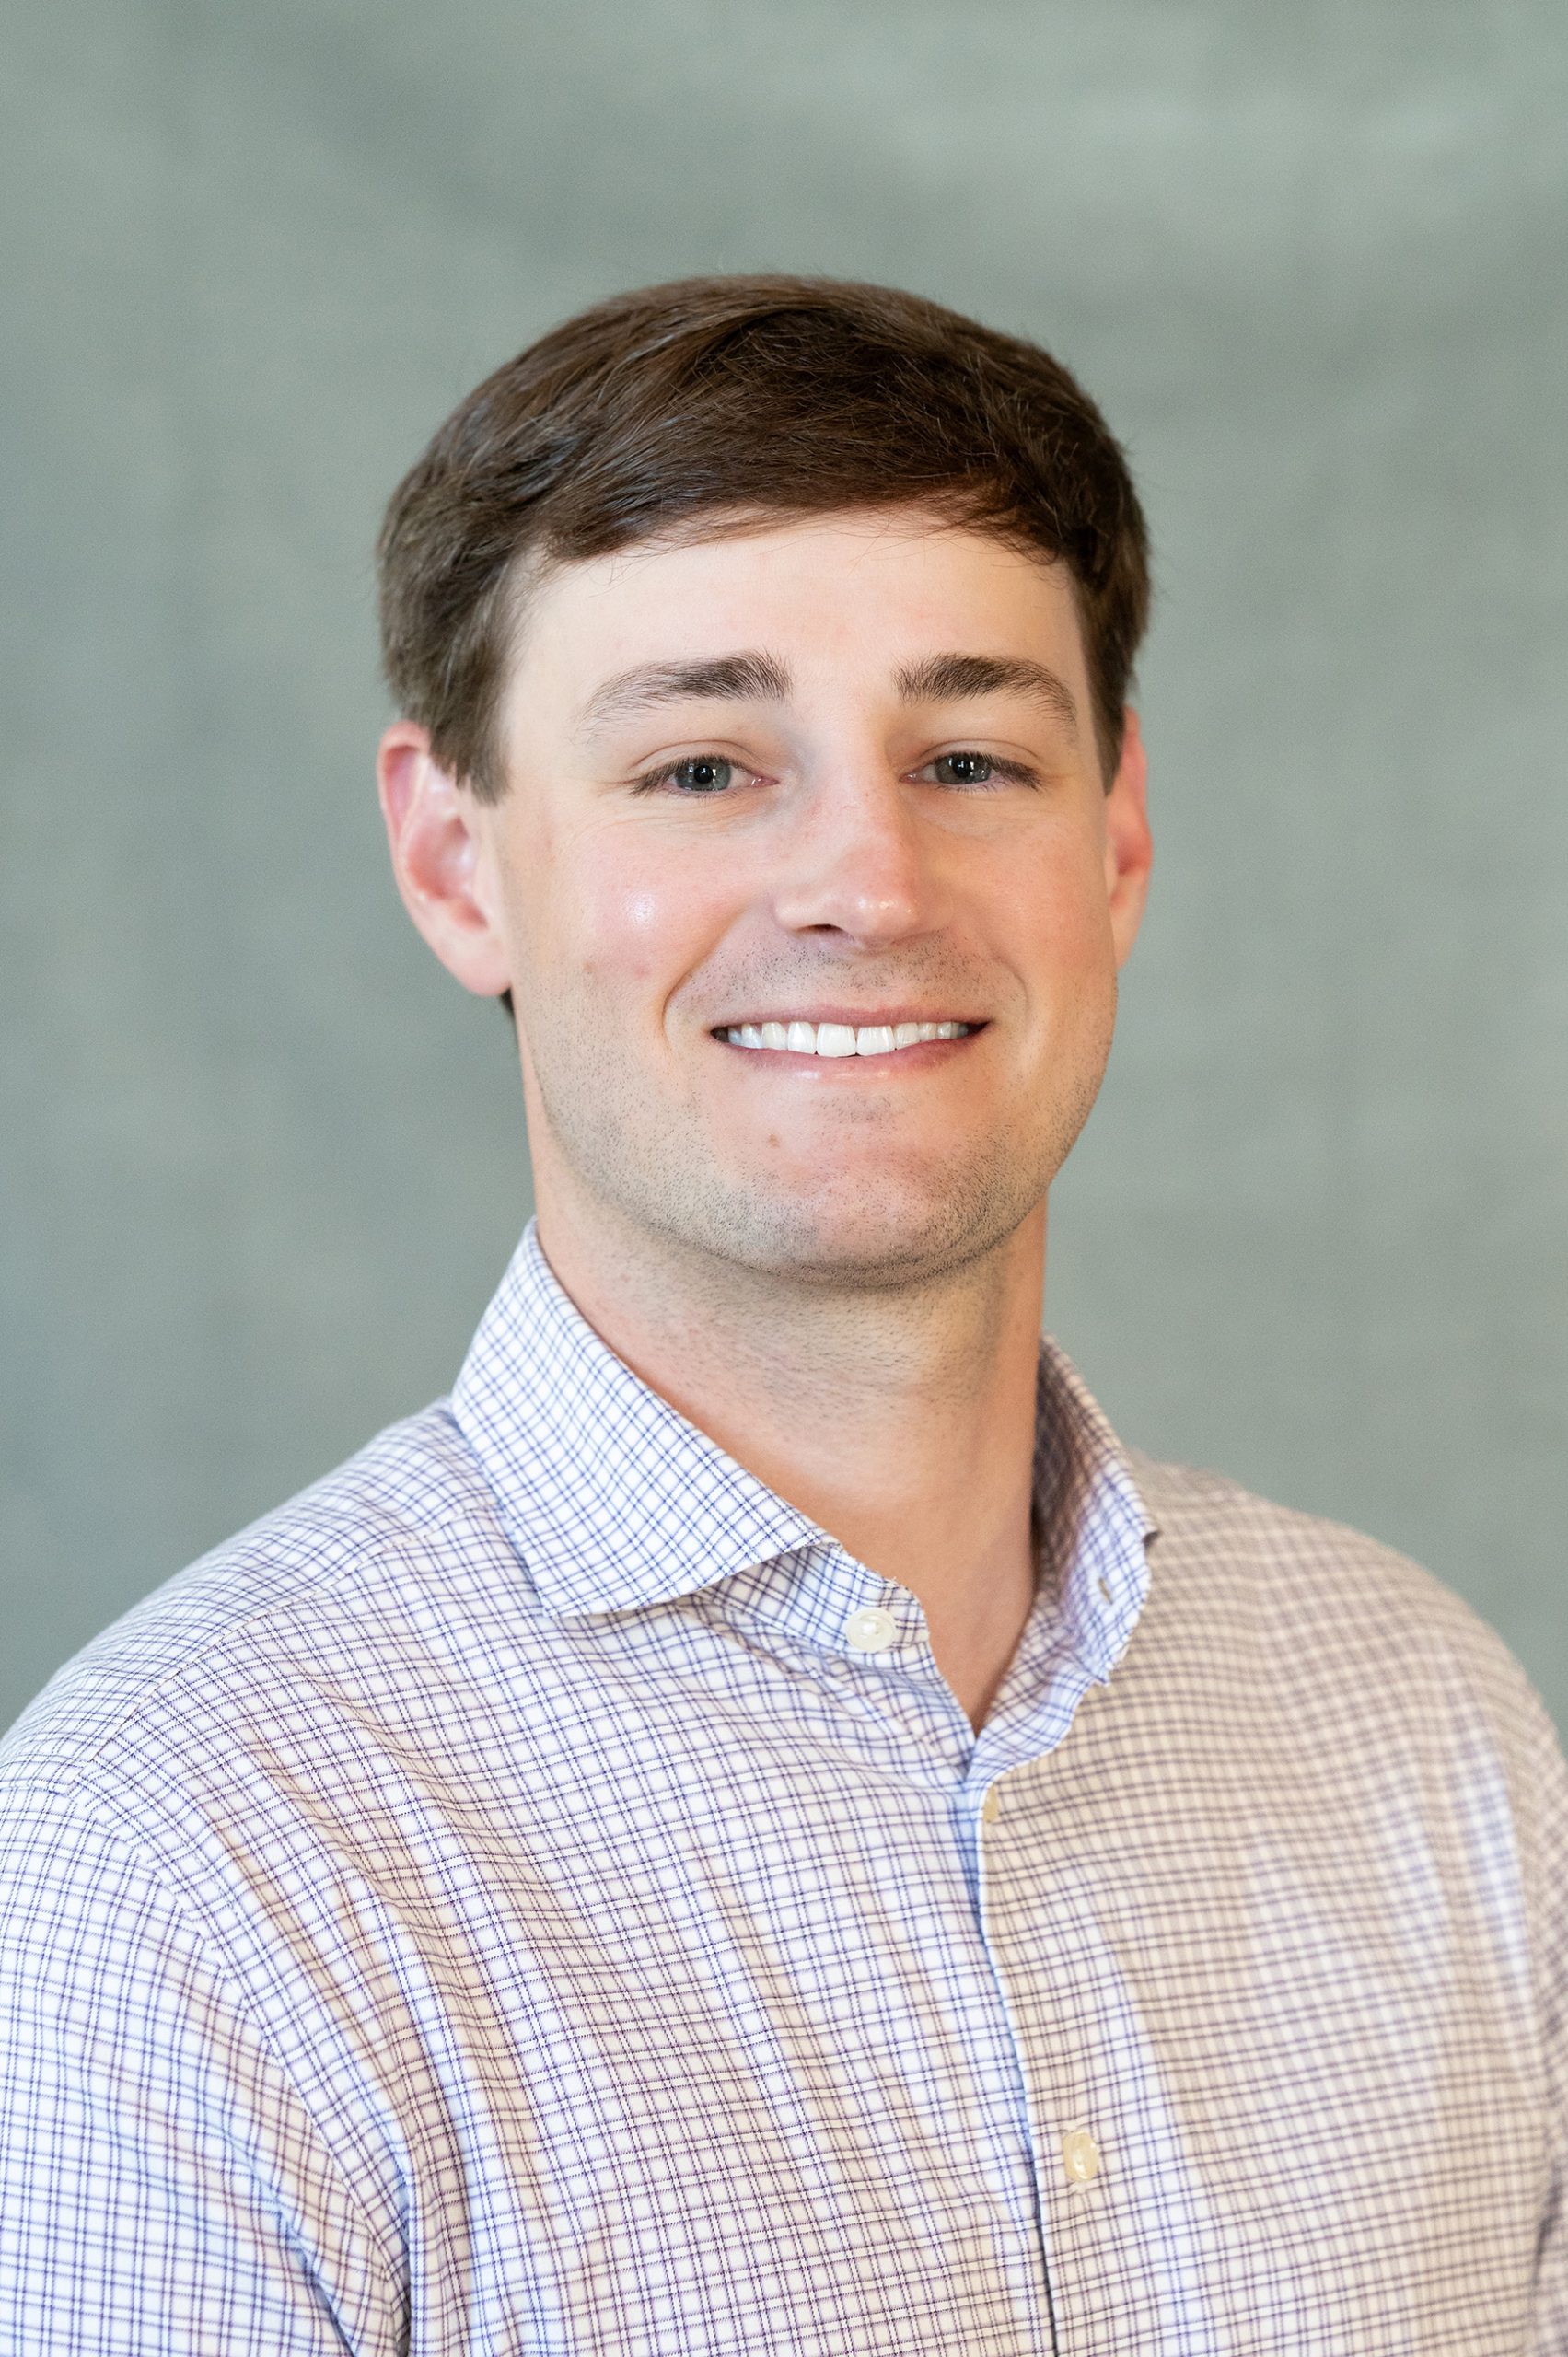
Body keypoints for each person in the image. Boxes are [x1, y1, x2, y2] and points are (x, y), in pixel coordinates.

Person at [0, 275, 1562, 2355]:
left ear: (1114, 843)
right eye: (704, 765)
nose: (869, 883)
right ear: (458, 862)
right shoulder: (171, 1866)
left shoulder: (1433, 1731)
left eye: (972, 757)